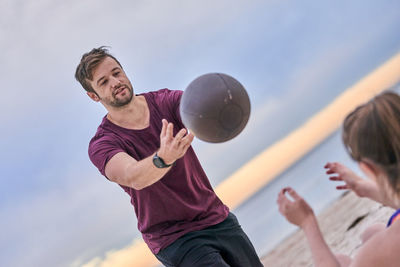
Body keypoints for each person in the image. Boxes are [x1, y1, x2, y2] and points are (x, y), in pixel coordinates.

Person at [75, 46, 263, 267]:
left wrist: (225, 107)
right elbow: (132, 176)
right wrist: (162, 158)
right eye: (103, 82)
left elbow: (200, 107)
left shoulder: (166, 102)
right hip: (175, 238)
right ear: (93, 96)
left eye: (116, 73)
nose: (115, 82)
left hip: (216, 216)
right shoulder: (103, 143)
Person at [277, 91, 400, 267]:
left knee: (342, 260)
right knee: (371, 232)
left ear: (368, 167)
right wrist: (362, 187)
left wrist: (307, 223)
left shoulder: (376, 253)